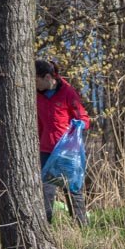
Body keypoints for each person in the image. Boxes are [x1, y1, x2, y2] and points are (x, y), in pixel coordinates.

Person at [35, 59, 89, 225]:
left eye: (36, 80)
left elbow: (84, 118)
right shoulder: (37, 96)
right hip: (46, 150)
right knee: (46, 191)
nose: (34, 85)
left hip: (67, 152)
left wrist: (79, 126)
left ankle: (82, 228)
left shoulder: (67, 92)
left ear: (47, 77)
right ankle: (45, 229)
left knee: (73, 190)